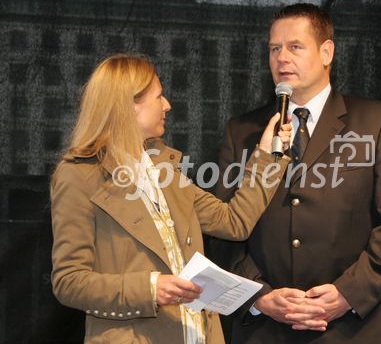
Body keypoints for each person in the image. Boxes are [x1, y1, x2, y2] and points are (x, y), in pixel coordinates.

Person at [50, 53, 292, 344]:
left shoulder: (165, 169)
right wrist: (150, 288)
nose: (167, 105)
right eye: (159, 96)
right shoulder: (78, 175)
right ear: (129, 104)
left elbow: (234, 222)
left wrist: (266, 156)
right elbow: (69, 282)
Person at [209, 3, 381, 343]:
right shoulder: (243, 130)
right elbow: (222, 228)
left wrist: (347, 293)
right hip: (268, 330)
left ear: (326, 52)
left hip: (357, 328)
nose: (281, 58)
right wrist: (258, 295)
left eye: (295, 47)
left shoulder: (378, 121)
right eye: (274, 48)